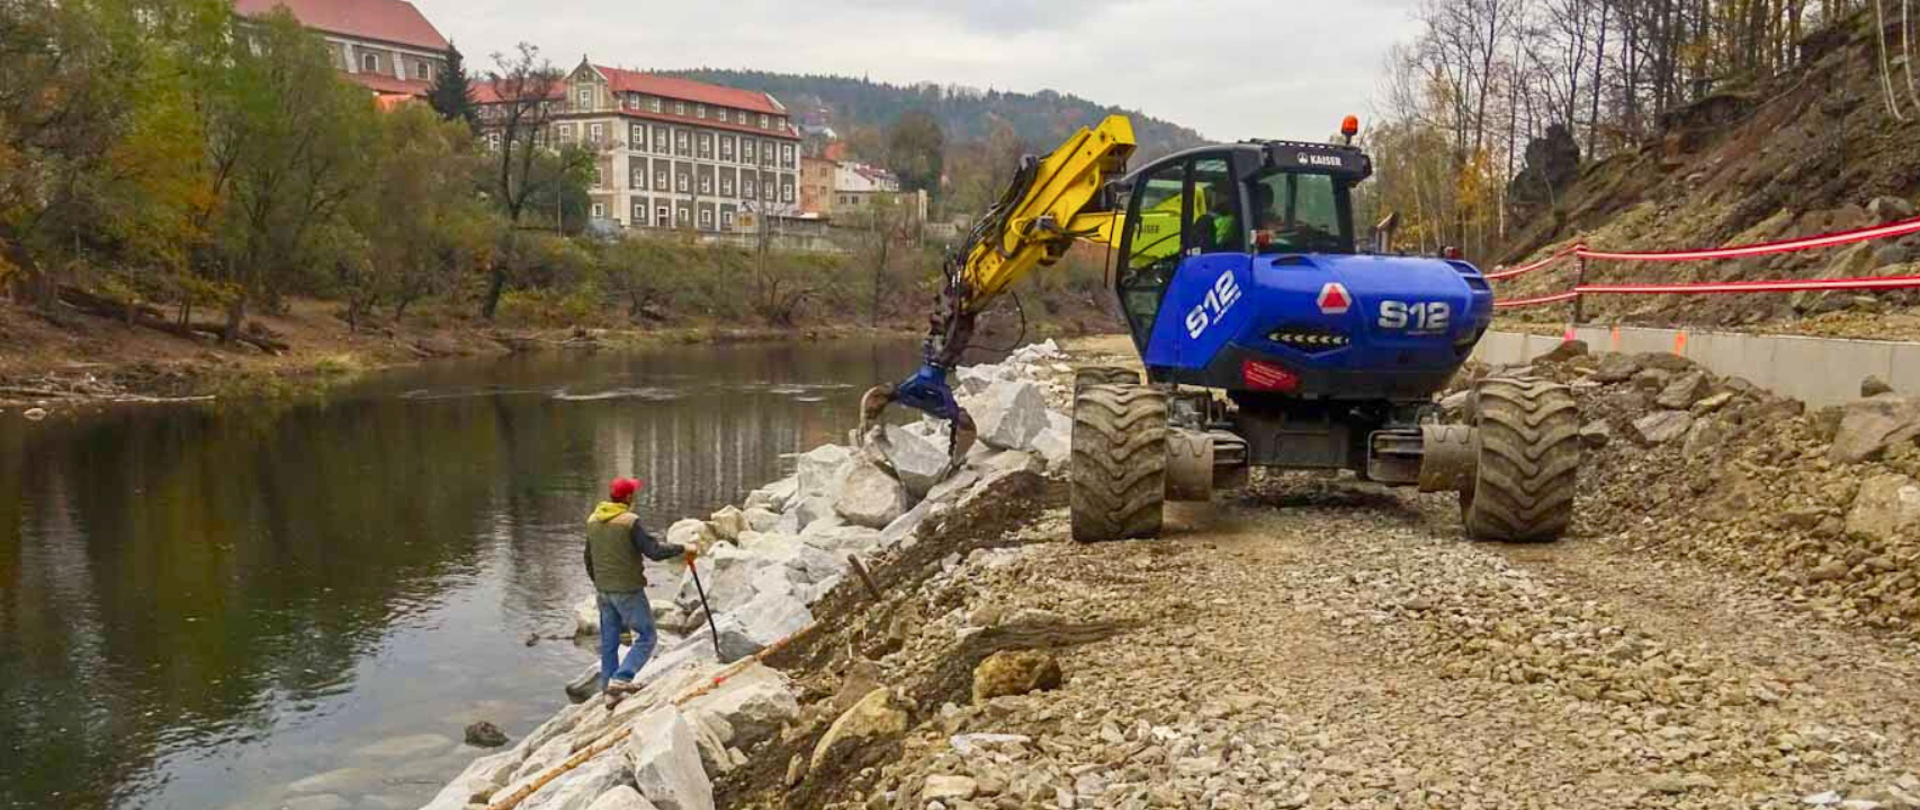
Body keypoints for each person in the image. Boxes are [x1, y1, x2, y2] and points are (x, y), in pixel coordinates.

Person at [585, 477, 694, 696]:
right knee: (647, 636)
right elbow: (653, 551)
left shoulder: (593, 520)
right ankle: (622, 678)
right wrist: (682, 548)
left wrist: (599, 582)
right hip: (628, 590)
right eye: (633, 493)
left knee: (609, 642)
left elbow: (588, 558)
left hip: (603, 591)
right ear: (628, 497)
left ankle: (608, 689)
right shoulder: (629, 521)